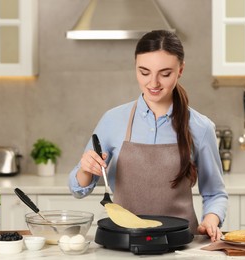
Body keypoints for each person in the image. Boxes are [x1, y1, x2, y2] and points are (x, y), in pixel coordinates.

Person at [68, 30, 228, 242]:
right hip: (123, 241)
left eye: (165, 73)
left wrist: (211, 219)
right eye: (144, 72)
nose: (153, 83)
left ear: (180, 70)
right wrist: (86, 169)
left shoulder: (201, 127)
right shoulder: (113, 120)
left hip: (179, 245)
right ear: (135, 68)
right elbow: (78, 189)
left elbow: (215, 193)